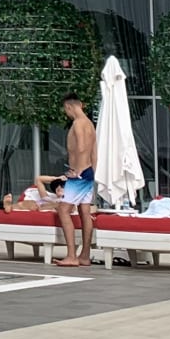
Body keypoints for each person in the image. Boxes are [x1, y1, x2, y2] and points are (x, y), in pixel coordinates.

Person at [54, 94, 98, 268]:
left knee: (63, 210)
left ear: (69, 107)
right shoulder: (90, 124)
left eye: (66, 110)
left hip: (79, 173)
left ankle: (71, 255)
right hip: (88, 172)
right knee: (84, 211)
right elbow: (94, 153)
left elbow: (80, 148)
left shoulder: (78, 124)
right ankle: (84, 255)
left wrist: (77, 171)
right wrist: (92, 173)